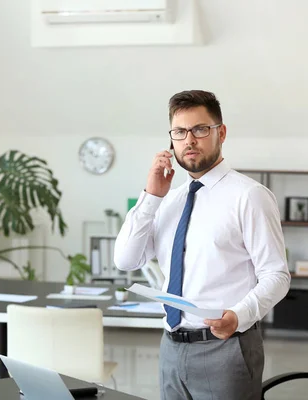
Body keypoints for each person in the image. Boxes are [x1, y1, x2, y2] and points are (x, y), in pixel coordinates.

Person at [113, 90, 291, 400]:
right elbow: (126, 260)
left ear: (221, 133)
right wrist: (150, 196)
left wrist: (239, 315)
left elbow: (277, 275)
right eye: (180, 132)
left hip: (225, 348)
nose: (189, 140)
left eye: (200, 129)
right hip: (171, 347)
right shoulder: (168, 201)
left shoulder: (249, 196)